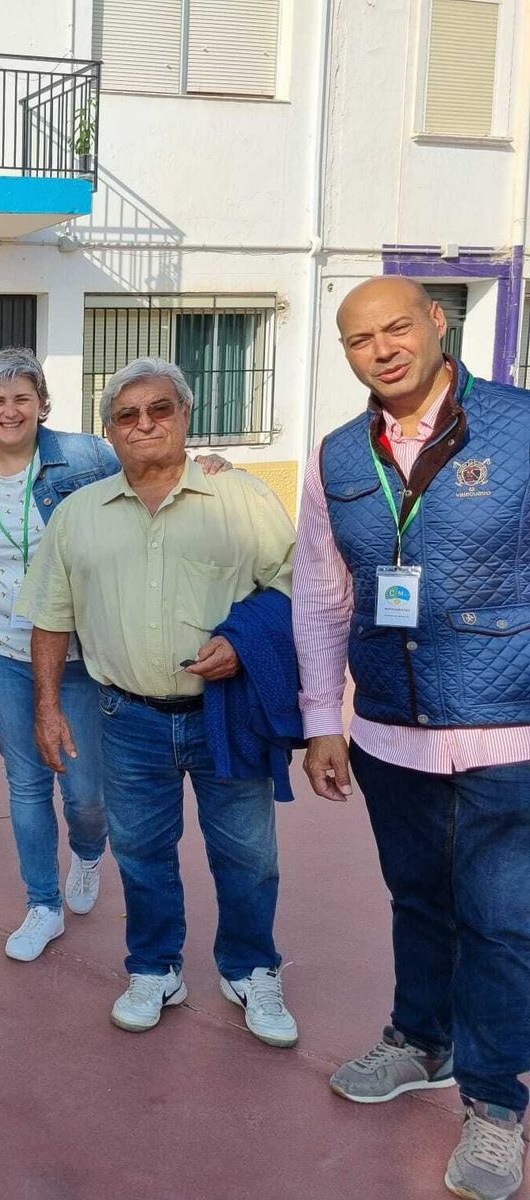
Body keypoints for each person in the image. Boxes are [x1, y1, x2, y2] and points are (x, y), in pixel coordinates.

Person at [296, 275, 530, 1200]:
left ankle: (496, 1104)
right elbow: (321, 593)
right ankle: (421, 1039)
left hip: (510, 732)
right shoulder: (338, 456)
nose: (383, 349)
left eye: (398, 327)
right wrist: (323, 719)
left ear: (439, 324)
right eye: (360, 339)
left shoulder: (519, 426)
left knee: (503, 923)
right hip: (390, 732)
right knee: (417, 898)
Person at [17, 357, 299, 1047]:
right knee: (142, 851)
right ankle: (154, 967)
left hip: (226, 712)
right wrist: (47, 709)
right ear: (109, 430)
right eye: (127, 414)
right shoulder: (79, 515)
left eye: (160, 409)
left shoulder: (243, 499)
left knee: (247, 853)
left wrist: (243, 643)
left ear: (185, 417)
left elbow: (295, 587)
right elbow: (50, 619)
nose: (145, 424)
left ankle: (251, 968)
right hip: (128, 716)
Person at [0, 348, 233, 962]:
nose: (10, 410)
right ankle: (41, 904)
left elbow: (151, 469)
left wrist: (208, 463)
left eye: (22, 397)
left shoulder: (86, 455)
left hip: (81, 650)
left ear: (43, 403)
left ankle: (86, 849)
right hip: (0, 648)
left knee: (85, 792)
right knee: (25, 782)